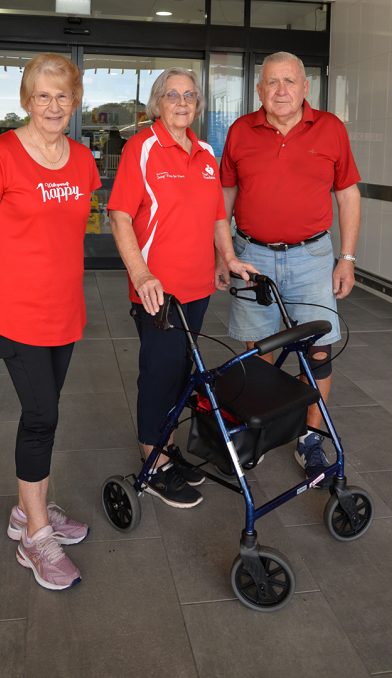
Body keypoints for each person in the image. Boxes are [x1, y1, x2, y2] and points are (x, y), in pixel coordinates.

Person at [0, 53, 100, 591]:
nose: (53, 105)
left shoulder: (84, 161)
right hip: (16, 316)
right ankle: (36, 536)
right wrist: (2, 298)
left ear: (75, 100)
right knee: (40, 416)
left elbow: (66, 234)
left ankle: (26, 508)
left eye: (63, 95)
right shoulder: (0, 156)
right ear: (26, 100)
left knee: (49, 410)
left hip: (64, 310)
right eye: (42, 96)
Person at [108, 67, 258, 509]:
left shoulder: (207, 153)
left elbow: (216, 216)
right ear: (158, 102)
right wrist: (140, 274)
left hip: (196, 288)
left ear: (198, 104)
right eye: (171, 94)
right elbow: (119, 216)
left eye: (189, 95)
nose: (181, 102)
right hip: (159, 292)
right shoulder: (143, 148)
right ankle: (151, 465)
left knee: (183, 374)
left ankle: (167, 450)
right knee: (159, 375)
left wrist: (226, 258)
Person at [219, 51, 362, 487]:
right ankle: (256, 433)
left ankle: (310, 438)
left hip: (312, 257)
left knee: (317, 352)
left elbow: (348, 195)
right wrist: (221, 254)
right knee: (258, 352)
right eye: (272, 82)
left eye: (289, 81)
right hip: (252, 256)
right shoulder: (241, 131)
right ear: (259, 90)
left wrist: (348, 258)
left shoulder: (331, 129)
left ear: (305, 88)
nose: (280, 90)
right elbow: (224, 196)